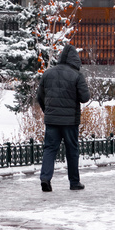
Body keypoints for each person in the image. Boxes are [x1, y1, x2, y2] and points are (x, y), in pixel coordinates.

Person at [35, 44, 90, 192]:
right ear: (75, 59)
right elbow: (85, 98)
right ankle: (74, 182)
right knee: (72, 151)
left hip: (52, 120)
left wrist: (48, 111)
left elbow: (40, 96)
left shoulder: (48, 73)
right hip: (70, 121)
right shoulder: (77, 75)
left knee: (49, 149)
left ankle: (45, 178)